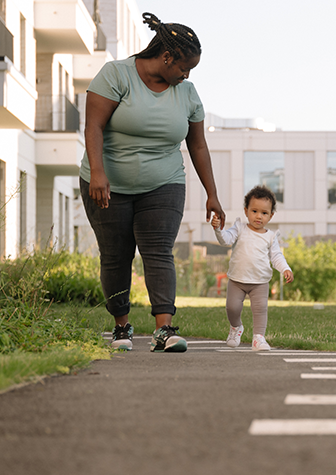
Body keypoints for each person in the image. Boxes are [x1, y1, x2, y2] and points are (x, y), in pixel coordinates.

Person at [79, 12, 225, 353]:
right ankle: (121, 328)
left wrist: (212, 193)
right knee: (115, 256)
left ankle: (164, 329)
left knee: (158, 252)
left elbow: (198, 145)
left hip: (164, 183)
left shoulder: (187, 92)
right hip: (107, 183)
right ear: (166, 56)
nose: (186, 75)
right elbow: (94, 126)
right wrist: (98, 172)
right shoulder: (116, 75)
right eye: (183, 67)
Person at [211, 185, 293, 351]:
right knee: (232, 308)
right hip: (237, 280)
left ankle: (258, 338)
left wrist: (285, 268)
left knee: (260, 309)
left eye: (264, 213)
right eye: (254, 211)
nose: (258, 216)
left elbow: (276, 256)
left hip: (260, 282)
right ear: (246, 210)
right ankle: (236, 328)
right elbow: (225, 240)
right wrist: (218, 228)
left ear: (271, 215)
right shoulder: (240, 228)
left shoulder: (270, 237)